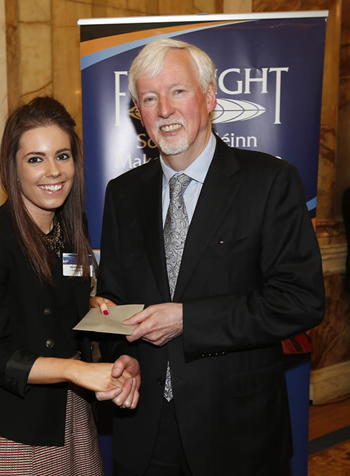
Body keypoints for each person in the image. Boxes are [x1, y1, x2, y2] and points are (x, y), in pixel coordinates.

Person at [92, 38, 325, 476]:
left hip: (237, 429)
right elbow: (115, 294)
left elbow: (301, 300)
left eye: (177, 91)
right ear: (138, 113)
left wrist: (188, 320)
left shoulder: (270, 182)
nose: (163, 109)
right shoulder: (122, 194)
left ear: (211, 97)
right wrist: (117, 352)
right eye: (148, 97)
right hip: (144, 428)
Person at [0, 96, 139, 476]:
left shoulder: (71, 229)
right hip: (14, 425)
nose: (53, 171)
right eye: (35, 159)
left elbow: (65, 288)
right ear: (14, 167)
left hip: (71, 413)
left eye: (63, 155)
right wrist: (74, 371)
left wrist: (92, 304)